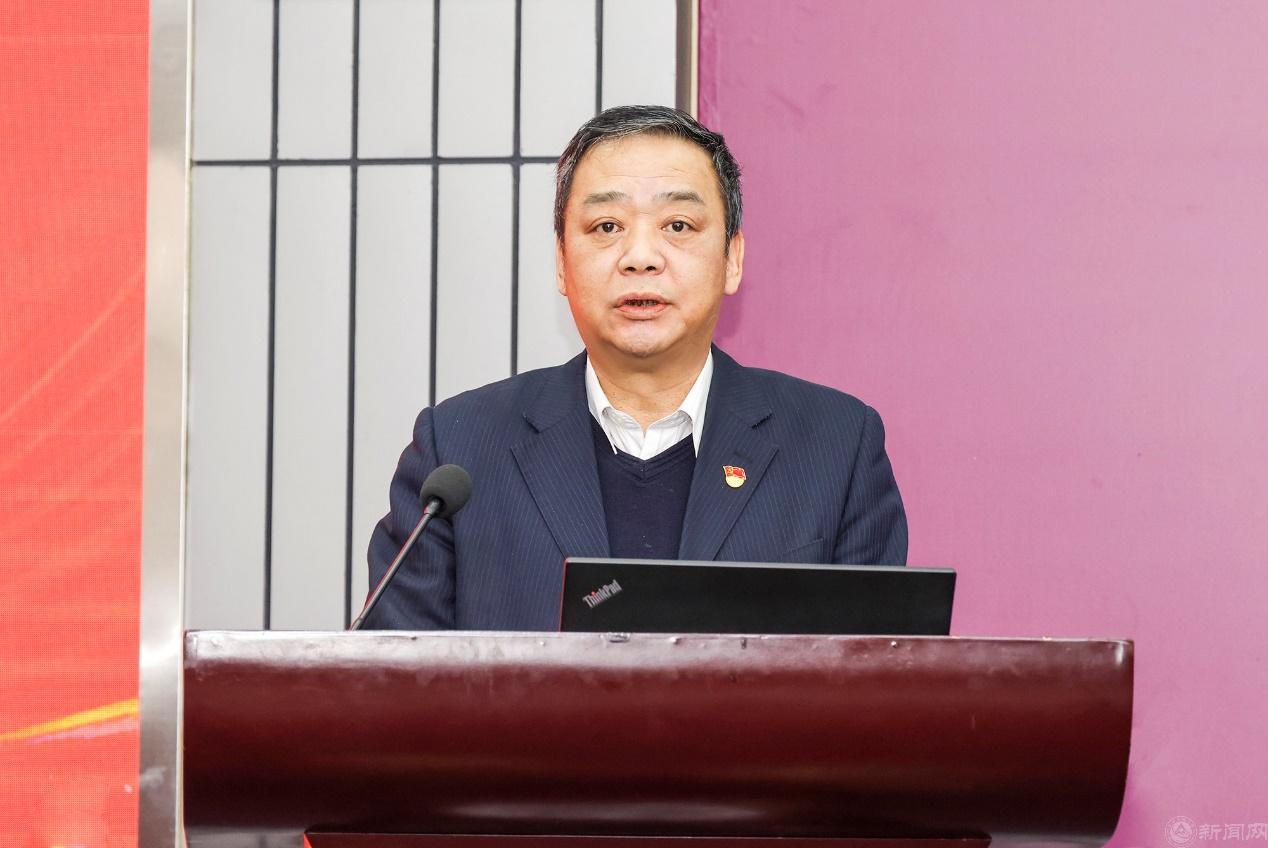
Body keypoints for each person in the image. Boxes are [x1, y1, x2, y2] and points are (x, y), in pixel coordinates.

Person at [365, 105, 906, 630]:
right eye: (606, 226)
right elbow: (392, 678)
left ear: (732, 259)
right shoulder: (457, 451)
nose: (640, 256)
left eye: (678, 224)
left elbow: (881, 676)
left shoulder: (836, 447)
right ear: (562, 262)